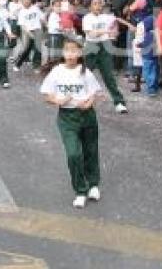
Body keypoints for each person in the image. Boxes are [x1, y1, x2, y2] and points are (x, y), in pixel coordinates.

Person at [40, 39, 103, 209]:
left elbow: (95, 93)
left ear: (79, 53)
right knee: (73, 154)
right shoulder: (56, 72)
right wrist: (57, 100)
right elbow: (46, 95)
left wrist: (89, 103)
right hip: (67, 117)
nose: (70, 54)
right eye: (67, 50)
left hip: (87, 115)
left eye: (74, 51)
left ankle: (93, 185)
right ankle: (80, 191)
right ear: (63, 53)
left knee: (90, 150)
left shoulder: (85, 72)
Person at [82, 0, 127, 114]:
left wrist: (130, 26)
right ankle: (80, 99)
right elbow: (91, 33)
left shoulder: (106, 17)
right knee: (85, 75)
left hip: (104, 47)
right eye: (95, 4)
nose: (98, 6)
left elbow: (117, 19)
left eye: (99, 4)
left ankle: (119, 102)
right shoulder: (87, 18)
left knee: (109, 76)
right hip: (91, 47)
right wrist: (107, 32)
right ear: (90, 7)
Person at [14, 0, 46, 72]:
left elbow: (42, 18)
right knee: (26, 49)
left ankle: (36, 66)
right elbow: (22, 26)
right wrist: (29, 34)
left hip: (37, 30)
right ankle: (18, 64)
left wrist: (46, 26)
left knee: (38, 49)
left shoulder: (35, 8)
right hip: (27, 32)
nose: (27, 1)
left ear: (30, 1)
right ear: (22, 2)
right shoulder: (21, 12)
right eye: (25, 0)